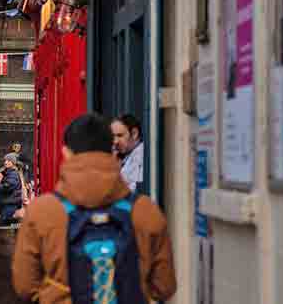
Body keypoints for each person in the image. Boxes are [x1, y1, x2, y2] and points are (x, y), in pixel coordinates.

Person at [12, 113, 176, 304]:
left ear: (66, 152)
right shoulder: (145, 210)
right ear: (112, 150)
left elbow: (24, 285)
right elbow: (164, 285)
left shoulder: (42, 211)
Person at [112, 114, 145, 193]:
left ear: (134, 134)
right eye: (113, 136)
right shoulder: (125, 155)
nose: (115, 141)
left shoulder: (141, 156)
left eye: (120, 135)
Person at [0, 153, 25, 226]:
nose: (5, 162)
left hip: (10, 203)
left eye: (8, 161)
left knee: (2, 224)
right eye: (5, 160)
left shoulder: (13, 174)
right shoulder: (8, 173)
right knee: (6, 223)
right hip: (8, 202)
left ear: (13, 163)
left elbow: (8, 187)